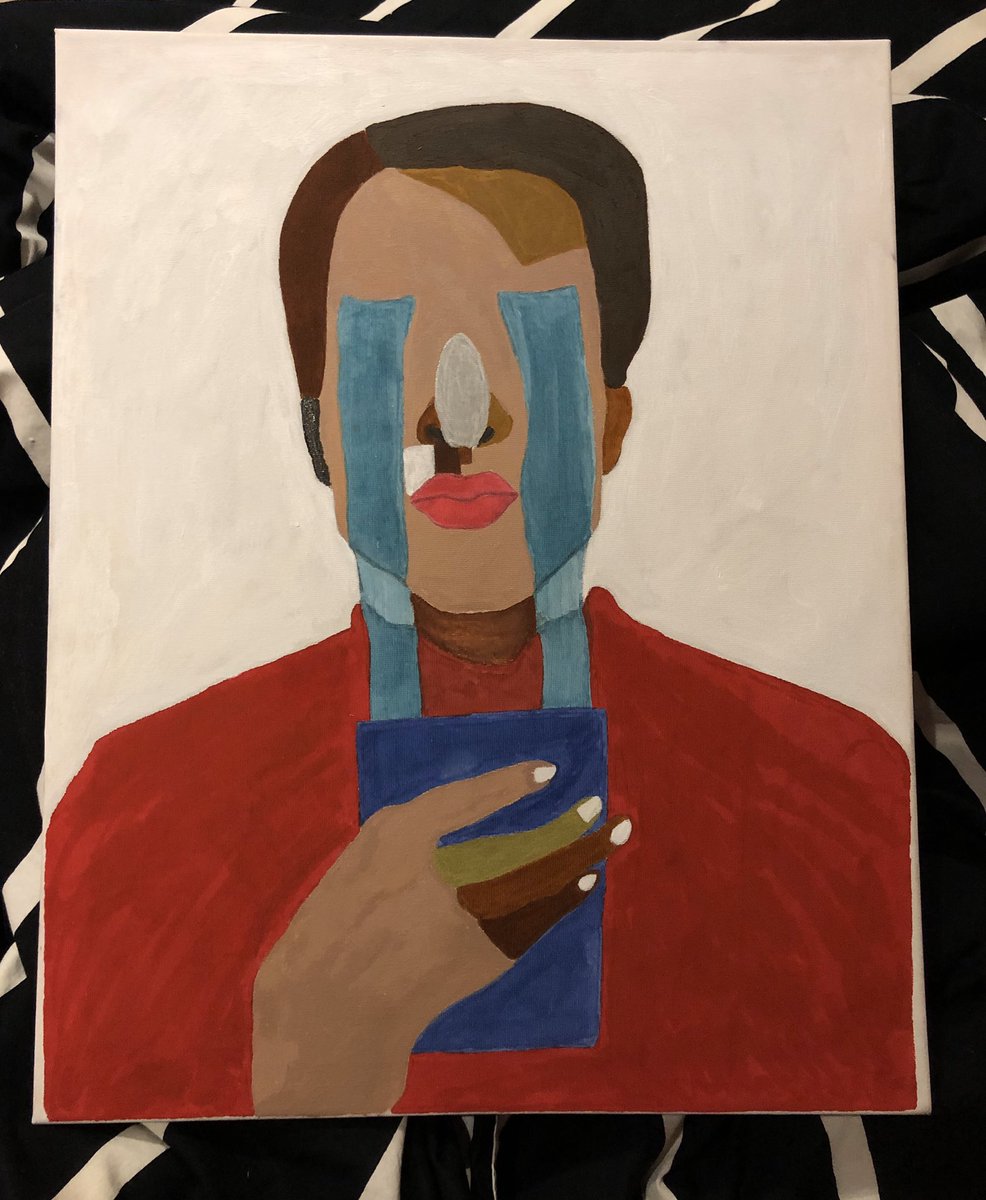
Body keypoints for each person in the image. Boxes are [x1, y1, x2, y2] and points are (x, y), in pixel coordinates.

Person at [43, 104, 917, 1121]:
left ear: (610, 420)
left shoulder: (830, 797)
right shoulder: (136, 825)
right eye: (383, 342)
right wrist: (312, 1052)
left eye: (530, 334)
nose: (456, 416)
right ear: (320, 433)